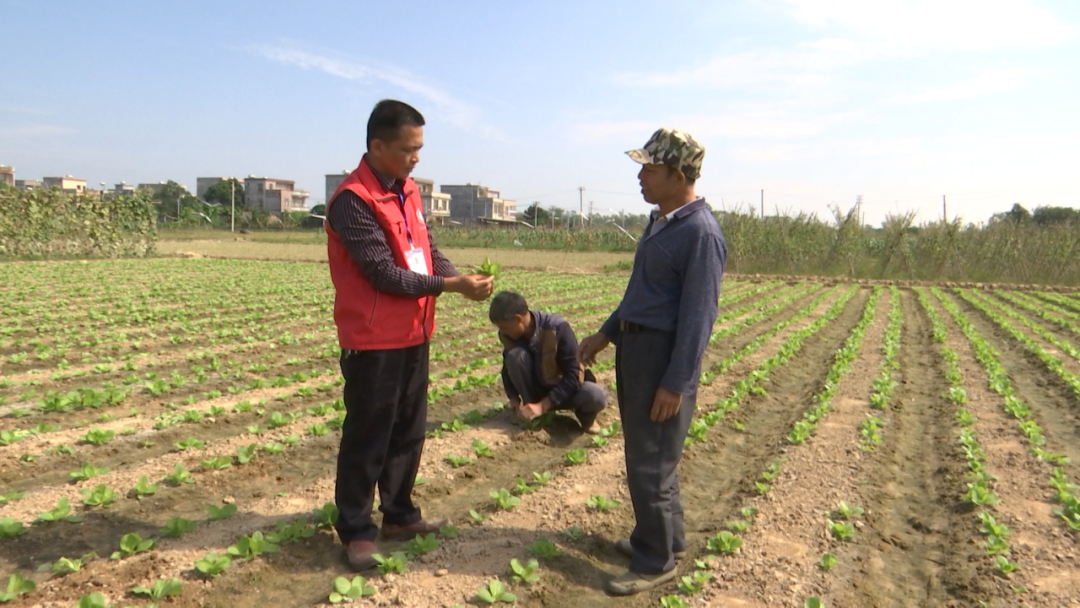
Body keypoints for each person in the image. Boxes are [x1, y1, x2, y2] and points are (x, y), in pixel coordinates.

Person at [325, 99, 494, 571]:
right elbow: (383, 274)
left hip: (414, 334)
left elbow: (426, 248)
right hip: (373, 339)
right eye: (407, 149)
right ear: (377, 146)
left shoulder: (408, 190)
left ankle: (399, 514)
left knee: (407, 431)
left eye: (419, 148)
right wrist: (451, 287)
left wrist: (460, 277)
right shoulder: (353, 200)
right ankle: (357, 529)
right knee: (368, 435)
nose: (415, 157)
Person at [577, 128, 727, 596]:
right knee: (652, 455)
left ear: (677, 176)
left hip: (663, 358)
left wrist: (676, 381)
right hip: (637, 351)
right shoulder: (661, 222)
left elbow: (698, 317)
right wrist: (606, 333)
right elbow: (640, 295)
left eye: (650, 169)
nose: (640, 177)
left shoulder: (699, 234)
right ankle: (666, 538)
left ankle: (655, 560)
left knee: (651, 462)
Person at [489, 291, 607, 433]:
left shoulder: (557, 328)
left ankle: (586, 419)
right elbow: (507, 367)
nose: (503, 332)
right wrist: (513, 397)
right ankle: (531, 410)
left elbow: (574, 375)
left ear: (517, 319)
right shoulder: (509, 336)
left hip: (564, 391)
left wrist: (543, 405)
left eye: (504, 327)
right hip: (537, 392)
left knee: (595, 395)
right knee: (515, 356)